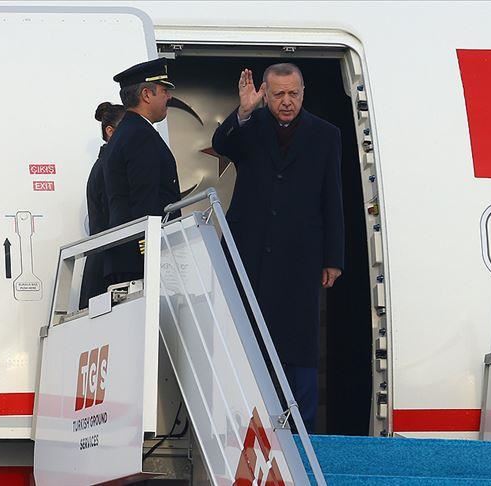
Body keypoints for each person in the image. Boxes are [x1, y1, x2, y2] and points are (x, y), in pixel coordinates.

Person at [212, 63, 345, 432]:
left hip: (300, 256)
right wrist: (243, 111)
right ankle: (242, 424)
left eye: (293, 94)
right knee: (247, 338)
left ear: (303, 93)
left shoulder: (326, 134)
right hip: (250, 252)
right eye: (279, 94)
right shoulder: (250, 126)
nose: (287, 101)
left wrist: (333, 258)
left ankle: (302, 430)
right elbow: (222, 144)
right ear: (266, 95)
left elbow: (332, 197)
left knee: (298, 345)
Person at [102, 58, 182, 285]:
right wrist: (153, 250)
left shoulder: (126, 132)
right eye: (164, 91)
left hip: (129, 254)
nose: (169, 97)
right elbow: (144, 199)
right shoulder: (140, 135)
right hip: (141, 258)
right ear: (146, 94)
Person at [79, 102, 125, 309]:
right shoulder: (108, 169)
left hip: (107, 266)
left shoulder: (106, 166)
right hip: (108, 271)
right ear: (110, 132)